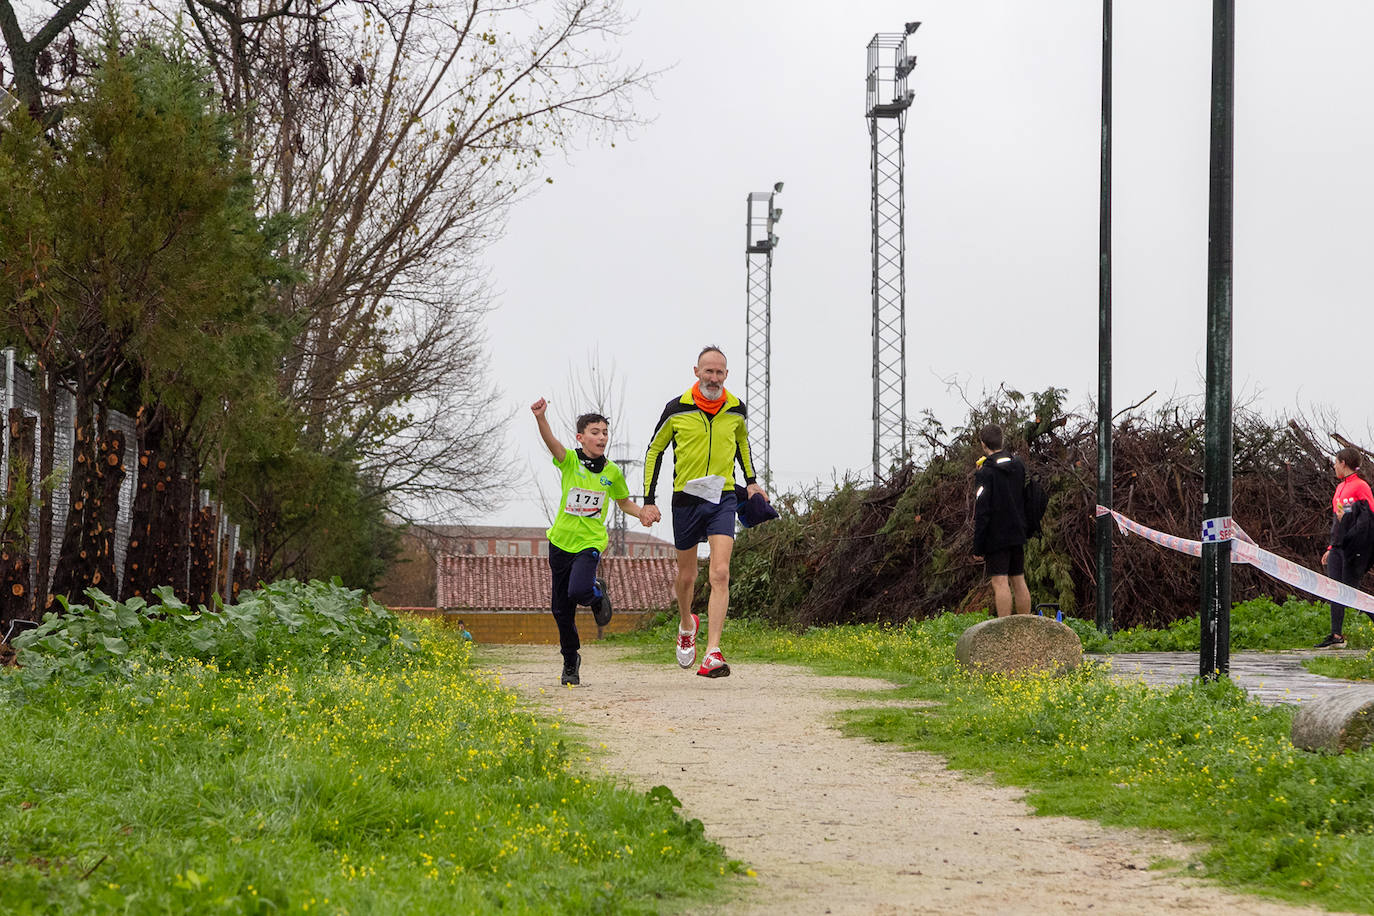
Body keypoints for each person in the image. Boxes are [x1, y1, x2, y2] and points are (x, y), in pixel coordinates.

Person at [639, 346, 768, 678]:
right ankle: (686, 624)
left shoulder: (736, 409)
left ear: (727, 375)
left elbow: (743, 445)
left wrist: (751, 481)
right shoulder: (676, 408)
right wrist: (649, 499)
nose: (714, 378)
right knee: (687, 576)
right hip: (685, 499)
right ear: (696, 371)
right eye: (708, 371)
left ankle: (712, 651)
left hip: (722, 496)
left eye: (720, 372)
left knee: (720, 572)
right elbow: (655, 450)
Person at [532, 398, 648, 685]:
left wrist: (643, 513)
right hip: (560, 542)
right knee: (561, 610)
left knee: (579, 589)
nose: (602, 437)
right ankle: (571, 660)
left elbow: (623, 502)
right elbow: (552, 444)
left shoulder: (612, 473)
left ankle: (596, 593)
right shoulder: (570, 461)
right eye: (595, 432)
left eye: (605, 432)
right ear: (581, 437)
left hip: (590, 543)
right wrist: (541, 419)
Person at [1316, 447, 1374, 649]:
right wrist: (1331, 547)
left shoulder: (1361, 486)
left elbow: (1367, 517)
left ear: (1343, 463)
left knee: (1351, 591)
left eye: (1335, 462)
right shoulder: (1340, 488)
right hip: (1338, 547)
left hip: (1355, 548)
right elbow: (1338, 521)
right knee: (1335, 590)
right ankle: (1336, 634)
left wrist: (1352, 536)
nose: (1333, 466)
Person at [972, 423, 1032, 617]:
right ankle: (1025, 626)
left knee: (1000, 582)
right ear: (1002, 440)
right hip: (1017, 531)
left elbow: (982, 511)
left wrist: (978, 547)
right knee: (1018, 579)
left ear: (983, 444)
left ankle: (1004, 629)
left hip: (996, 536)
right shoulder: (1018, 465)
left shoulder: (985, 473)